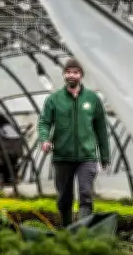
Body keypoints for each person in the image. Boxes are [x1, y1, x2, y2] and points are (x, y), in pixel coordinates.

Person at [37, 58, 110, 227]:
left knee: (86, 193)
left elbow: (101, 129)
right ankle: (67, 229)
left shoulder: (92, 99)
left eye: (75, 72)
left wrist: (104, 156)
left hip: (87, 156)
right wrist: (45, 139)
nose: (71, 75)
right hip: (62, 156)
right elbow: (44, 122)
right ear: (64, 74)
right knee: (65, 196)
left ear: (81, 75)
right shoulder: (54, 99)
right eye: (68, 72)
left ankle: (82, 231)